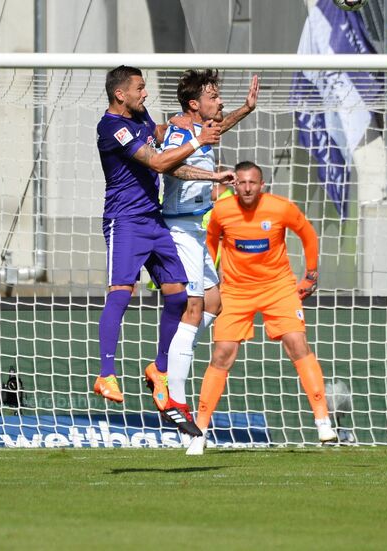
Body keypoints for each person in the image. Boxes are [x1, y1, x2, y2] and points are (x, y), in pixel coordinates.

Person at [94, 65, 235, 435]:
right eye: (140, 88)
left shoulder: (140, 115)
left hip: (153, 220)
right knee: (121, 294)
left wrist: (203, 126)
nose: (145, 94)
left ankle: (159, 367)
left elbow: (166, 139)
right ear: (120, 93)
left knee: (178, 296)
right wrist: (198, 141)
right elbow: (158, 161)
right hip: (124, 221)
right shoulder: (111, 127)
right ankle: (106, 374)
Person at [186, 161, 336, 455]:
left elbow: (307, 234)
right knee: (222, 354)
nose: (246, 188)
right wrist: (209, 281)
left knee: (297, 343)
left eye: (252, 182)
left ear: (262, 184)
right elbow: (211, 242)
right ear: (234, 184)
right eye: (241, 182)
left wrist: (311, 273)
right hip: (236, 290)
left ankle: (322, 421)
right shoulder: (222, 211)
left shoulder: (281, 208)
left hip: (278, 288)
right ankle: (199, 432)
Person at [161, 69, 258, 424]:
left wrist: (245, 109)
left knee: (214, 304)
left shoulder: (201, 130)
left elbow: (217, 129)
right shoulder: (176, 132)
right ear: (194, 104)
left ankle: (173, 355)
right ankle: (175, 398)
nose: (220, 102)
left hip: (194, 231)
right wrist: (214, 176)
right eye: (213, 97)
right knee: (194, 306)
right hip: (177, 228)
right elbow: (173, 168)